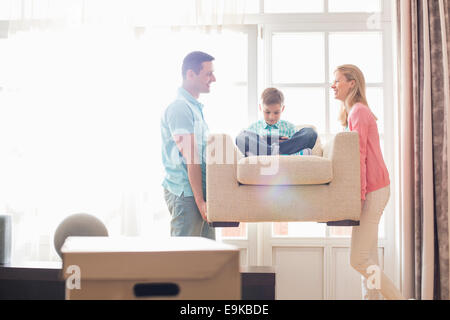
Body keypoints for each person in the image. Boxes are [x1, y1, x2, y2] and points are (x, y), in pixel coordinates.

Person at [331, 64, 405, 300]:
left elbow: (359, 156)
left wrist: (359, 196)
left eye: (338, 81)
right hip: (375, 188)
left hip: (373, 190)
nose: (333, 85)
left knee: (359, 259)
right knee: (368, 258)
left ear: (352, 83)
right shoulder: (353, 112)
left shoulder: (359, 112)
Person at [160, 51, 216, 240]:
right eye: (208, 74)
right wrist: (200, 202)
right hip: (187, 195)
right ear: (191, 74)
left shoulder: (194, 108)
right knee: (182, 263)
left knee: (208, 261)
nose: (213, 79)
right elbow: (191, 157)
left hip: (200, 195)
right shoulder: (180, 108)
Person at [236, 88, 317, 157]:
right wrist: (260, 141)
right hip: (263, 148)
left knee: (310, 132)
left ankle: (274, 151)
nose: (271, 117)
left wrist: (289, 141)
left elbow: (297, 144)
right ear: (260, 108)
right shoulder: (254, 127)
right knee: (241, 136)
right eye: (267, 112)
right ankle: (271, 151)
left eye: (276, 112)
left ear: (282, 109)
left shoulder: (289, 127)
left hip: (283, 149)